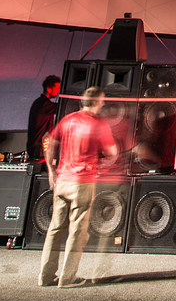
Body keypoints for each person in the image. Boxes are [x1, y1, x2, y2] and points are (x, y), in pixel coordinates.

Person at [38, 86, 117, 288]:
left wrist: (51, 171)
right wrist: (101, 168)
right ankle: (67, 278)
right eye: (102, 101)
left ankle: (45, 277)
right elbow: (112, 154)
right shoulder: (99, 124)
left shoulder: (68, 119)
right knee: (77, 231)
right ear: (97, 102)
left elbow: (49, 141)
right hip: (82, 181)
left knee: (55, 229)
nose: (104, 104)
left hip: (62, 180)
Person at [26, 75, 61, 163]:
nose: (58, 91)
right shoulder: (43, 104)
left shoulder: (40, 103)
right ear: (49, 89)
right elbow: (61, 108)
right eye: (57, 88)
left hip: (38, 148)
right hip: (39, 149)